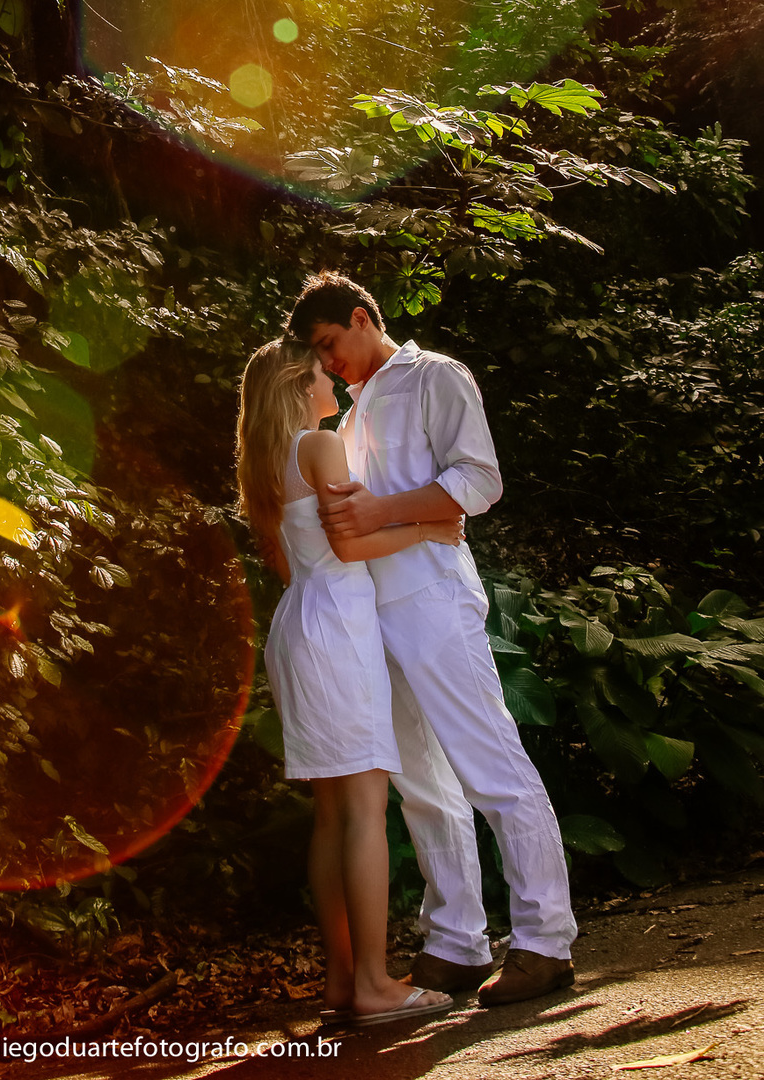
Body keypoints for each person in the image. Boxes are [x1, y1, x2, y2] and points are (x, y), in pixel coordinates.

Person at [286, 273, 577, 1008]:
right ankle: (457, 941)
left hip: (434, 599)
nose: (330, 365)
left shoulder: (435, 375)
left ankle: (546, 942)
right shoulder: (347, 416)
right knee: (422, 786)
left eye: (330, 345)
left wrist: (386, 512)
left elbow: (478, 481)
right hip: (369, 614)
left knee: (491, 764)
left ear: (360, 318)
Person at [236, 336, 462, 1027]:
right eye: (319, 371)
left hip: (301, 621)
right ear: (298, 387)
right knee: (365, 808)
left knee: (334, 813)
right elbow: (353, 543)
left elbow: (295, 557)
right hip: (337, 625)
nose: (331, 377)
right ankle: (372, 983)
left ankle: (343, 977)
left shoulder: (265, 462)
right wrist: (430, 525)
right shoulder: (319, 444)